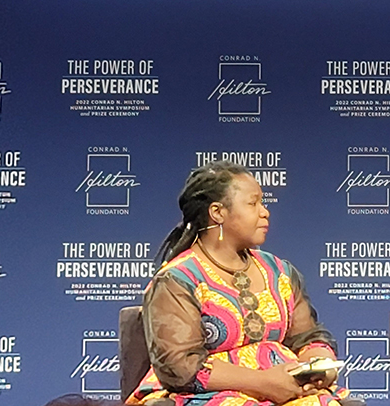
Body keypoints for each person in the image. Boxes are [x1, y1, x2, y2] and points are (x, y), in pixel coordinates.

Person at [127, 161, 346, 406]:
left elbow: (307, 337)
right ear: (218, 212)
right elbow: (181, 367)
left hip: (286, 389)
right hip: (205, 394)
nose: (265, 212)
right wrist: (263, 383)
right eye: (253, 204)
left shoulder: (279, 272)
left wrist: (319, 365)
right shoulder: (177, 280)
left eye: (262, 203)